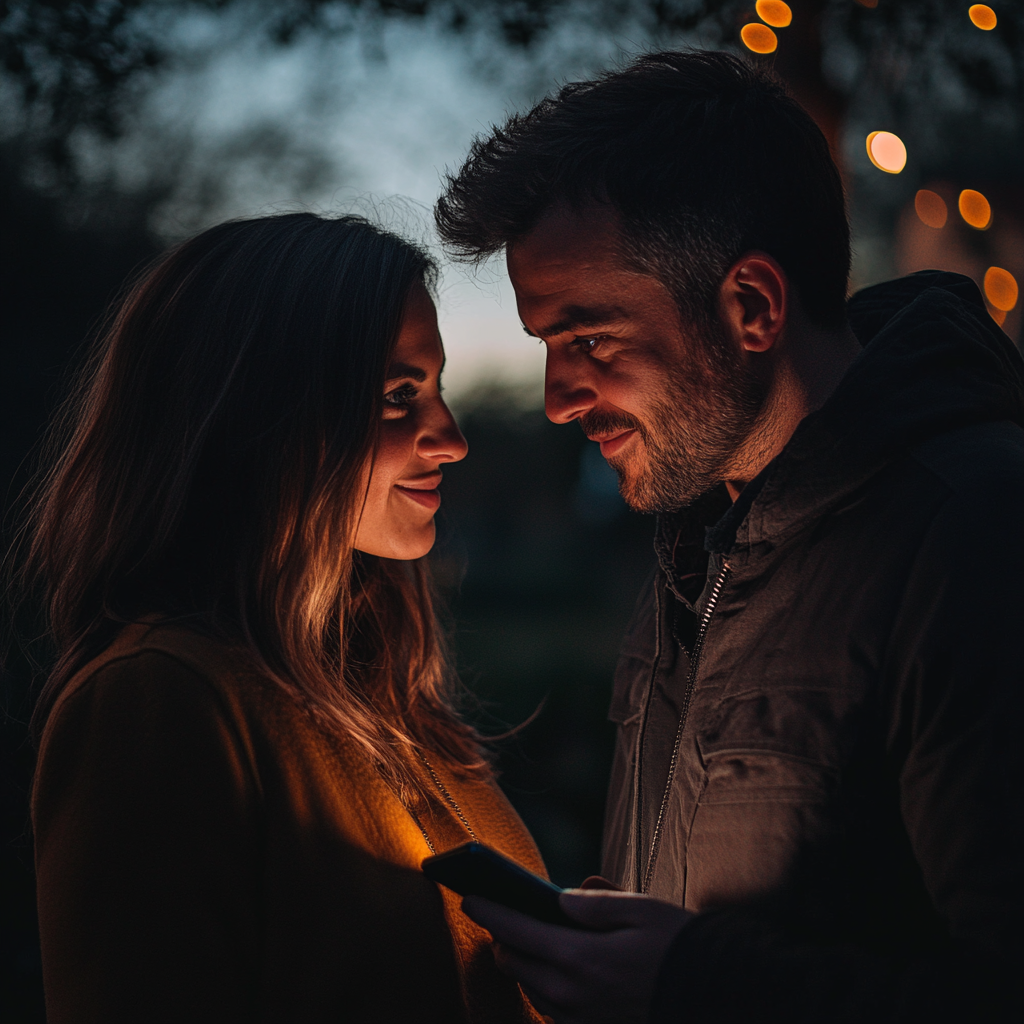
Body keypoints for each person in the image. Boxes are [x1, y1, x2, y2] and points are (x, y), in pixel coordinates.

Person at [434, 50, 1023, 1023]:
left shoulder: (974, 534)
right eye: (545, 347)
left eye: (587, 340)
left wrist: (694, 982)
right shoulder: (701, 535)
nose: (556, 399)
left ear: (750, 306)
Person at [23, 213, 547, 1023]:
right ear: (261, 414)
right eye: (398, 396)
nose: (450, 439)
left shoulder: (392, 704)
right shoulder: (156, 701)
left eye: (436, 392)